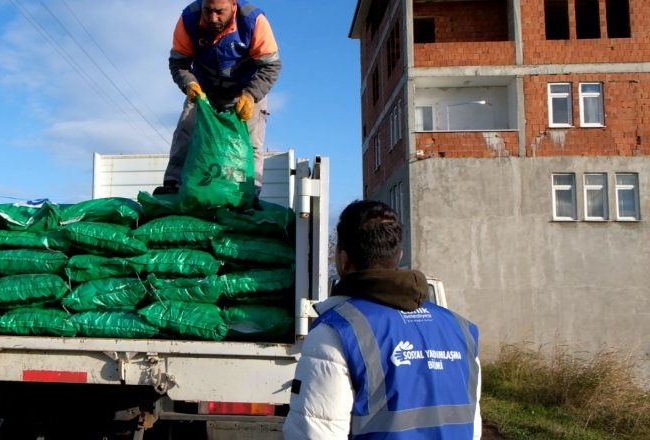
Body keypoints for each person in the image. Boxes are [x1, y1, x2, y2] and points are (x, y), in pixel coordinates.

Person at [282, 200, 482, 439]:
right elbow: (473, 425)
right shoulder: (461, 329)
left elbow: (314, 434)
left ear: (343, 260)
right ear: (399, 255)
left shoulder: (337, 331)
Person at [156, 0, 282, 197]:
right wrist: (188, 83)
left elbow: (271, 66)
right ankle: (173, 184)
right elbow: (178, 62)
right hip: (204, 88)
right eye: (208, 11)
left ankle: (249, 191)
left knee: (250, 139)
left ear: (233, 4)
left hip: (246, 89)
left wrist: (250, 96)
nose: (213, 18)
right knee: (186, 127)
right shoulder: (189, 18)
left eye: (219, 12)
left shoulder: (254, 20)